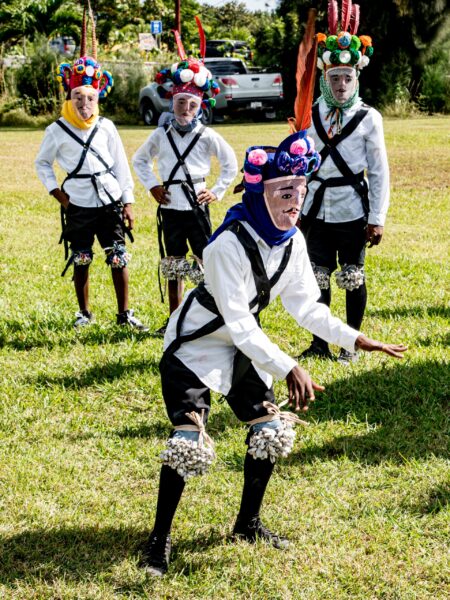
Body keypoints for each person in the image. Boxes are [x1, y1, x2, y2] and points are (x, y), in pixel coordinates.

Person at [141, 128, 407, 576]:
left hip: (242, 345)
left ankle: (247, 523)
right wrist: (288, 366)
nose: (295, 201)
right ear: (259, 193)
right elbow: (239, 322)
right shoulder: (226, 244)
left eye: (301, 191)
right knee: (188, 441)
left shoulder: (293, 240)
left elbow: (305, 305)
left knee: (269, 430)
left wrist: (355, 338)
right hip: (195, 347)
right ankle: (158, 539)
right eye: (285, 191)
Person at [35, 6, 148, 331]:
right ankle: (84, 313)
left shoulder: (108, 127)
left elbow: (121, 165)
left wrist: (127, 202)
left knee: (118, 256)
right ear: (69, 98)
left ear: (98, 98)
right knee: (81, 257)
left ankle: (124, 314)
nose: (85, 105)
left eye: (90, 99)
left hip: (110, 199)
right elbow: (42, 162)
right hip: (79, 201)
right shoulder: (57, 130)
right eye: (78, 98)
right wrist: (57, 192)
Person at [132, 20, 238, 335]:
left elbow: (230, 164)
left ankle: (207, 314)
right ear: (171, 101)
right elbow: (139, 160)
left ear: (200, 106)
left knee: (205, 259)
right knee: (173, 261)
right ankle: (175, 317)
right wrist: (152, 185)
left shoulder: (207, 136)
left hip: (196, 204)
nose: (185, 109)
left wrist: (217, 191)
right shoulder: (160, 134)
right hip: (169, 205)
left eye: (192, 104)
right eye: (180, 103)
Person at [300, 1, 389, 364]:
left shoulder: (370, 118)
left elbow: (380, 170)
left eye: (347, 78)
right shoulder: (312, 112)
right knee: (317, 278)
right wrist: (296, 205)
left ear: (356, 77)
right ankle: (319, 342)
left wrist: (377, 216)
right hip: (317, 209)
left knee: (352, 275)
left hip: (353, 208)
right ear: (325, 78)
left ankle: (349, 344)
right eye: (334, 78)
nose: (340, 85)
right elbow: (302, 161)